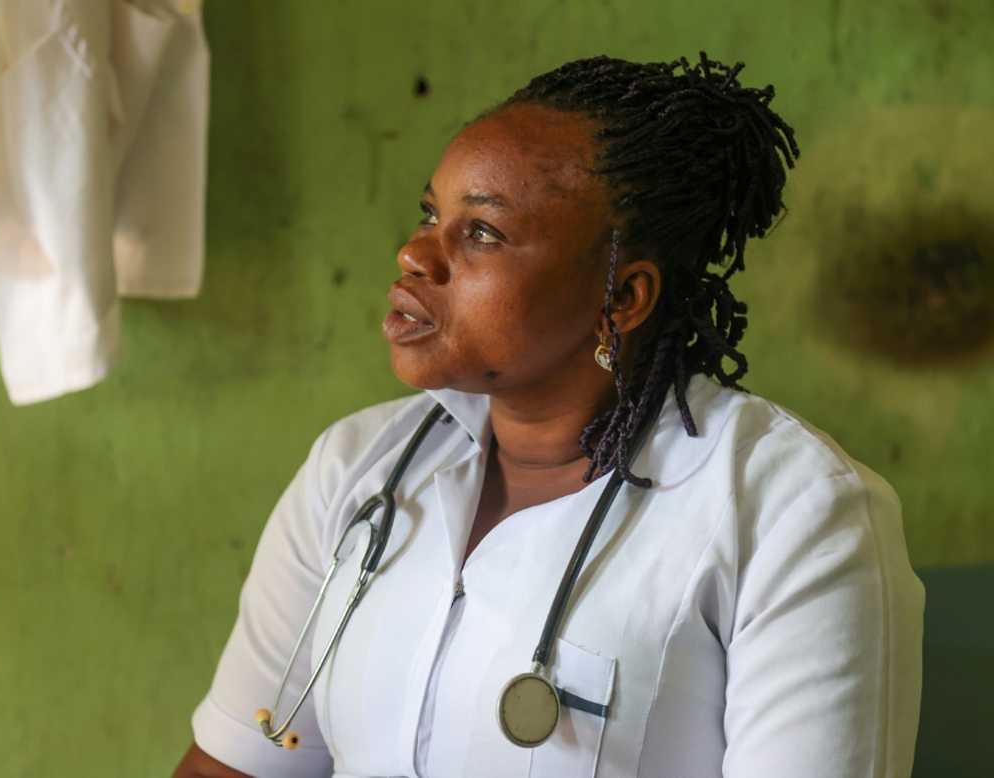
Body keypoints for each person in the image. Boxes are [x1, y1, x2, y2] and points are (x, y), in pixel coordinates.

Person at [173, 54, 924, 778]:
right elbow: (233, 764)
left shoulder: (795, 514)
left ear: (622, 298)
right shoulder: (356, 467)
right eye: (431, 215)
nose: (414, 255)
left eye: (482, 233)